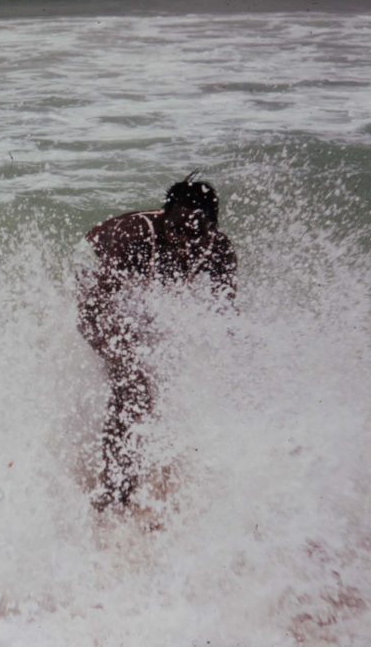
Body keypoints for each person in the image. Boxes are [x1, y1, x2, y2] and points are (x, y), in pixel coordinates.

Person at [77, 172, 236, 512]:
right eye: (177, 228)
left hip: (136, 290)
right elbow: (95, 308)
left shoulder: (218, 250)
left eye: (196, 232)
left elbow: (227, 317)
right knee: (133, 386)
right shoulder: (132, 238)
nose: (185, 240)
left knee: (157, 369)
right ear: (165, 218)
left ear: (212, 227)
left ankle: (141, 470)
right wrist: (121, 360)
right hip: (92, 276)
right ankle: (115, 490)